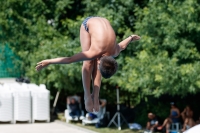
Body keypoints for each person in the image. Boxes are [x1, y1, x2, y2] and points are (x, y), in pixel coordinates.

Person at [35, 16, 141, 112]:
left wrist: (131, 37)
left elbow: (122, 45)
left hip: (103, 21)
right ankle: (87, 95)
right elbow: (69, 59)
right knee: (88, 62)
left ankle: (96, 96)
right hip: (88, 24)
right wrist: (49, 61)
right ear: (100, 61)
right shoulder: (93, 53)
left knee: (94, 61)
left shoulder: (115, 51)